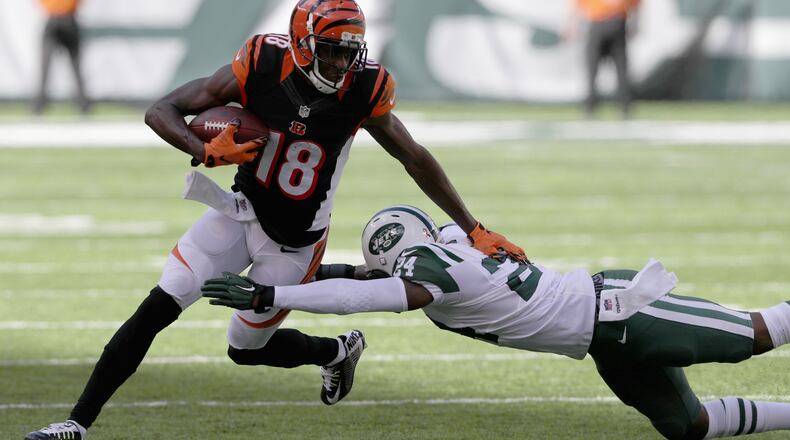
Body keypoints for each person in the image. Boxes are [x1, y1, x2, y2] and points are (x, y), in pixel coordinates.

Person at [24, 1, 527, 438]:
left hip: (297, 241)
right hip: (241, 212)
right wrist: (202, 149)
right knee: (160, 304)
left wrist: (473, 228)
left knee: (244, 349)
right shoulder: (262, 63)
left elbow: (412, 156)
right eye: (330, 50)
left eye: (348, 52)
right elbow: (162, 109)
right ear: (302, 44)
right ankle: (76, 424)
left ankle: (334, 352)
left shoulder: (365, 88)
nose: (340, 63)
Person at [203, 204, 790, 440]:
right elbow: (360, 278)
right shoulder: (446, 247)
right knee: (688, 427)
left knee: (759, 333)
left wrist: (270, 291)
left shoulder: (427, 273)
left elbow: (360, 296)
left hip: (622, 311)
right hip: (604, 341)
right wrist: (291, 272)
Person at [571, 0, 639, 118]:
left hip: (602, 22)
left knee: (599, 68)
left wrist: (573, 24)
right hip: (615, 22)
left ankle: (592, 106)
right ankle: (623, 106)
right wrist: (635, 23)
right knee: (614, 68)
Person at [33, 0, 90, 115]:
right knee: (73, 65)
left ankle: (39, 105)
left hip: (59, 18)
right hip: (65, 19)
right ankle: (83, 104)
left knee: (47, 66)